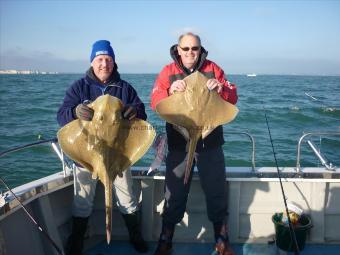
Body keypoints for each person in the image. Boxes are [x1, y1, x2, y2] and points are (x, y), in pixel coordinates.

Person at [57, 40, 148, 255]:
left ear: (114, 62)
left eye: (108, 59)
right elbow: (62, 116)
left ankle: (135, 235)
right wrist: (75, 112)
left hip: (119, 154)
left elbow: (143, 116)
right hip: (86, 156)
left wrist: (134, 111)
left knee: (127, 196)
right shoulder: (79, 87)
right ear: (92, 62)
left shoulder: (124, 88)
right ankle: (76, 239)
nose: (104, 64)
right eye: (99, 59)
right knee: (83, 199)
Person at [150, 32, 238, 255]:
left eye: (195, 48)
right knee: (175, 194)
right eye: (186, 48)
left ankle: (222, 241)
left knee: (216, 191)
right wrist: (170, 91)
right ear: (178, 50)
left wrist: (221, 89)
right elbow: (155, 101)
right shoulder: (168, 72)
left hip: (210, 143)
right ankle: (165, 241)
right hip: (180, 145)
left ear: (201, 49)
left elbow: (232, 97)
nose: (191, 52)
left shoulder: (213, 69)